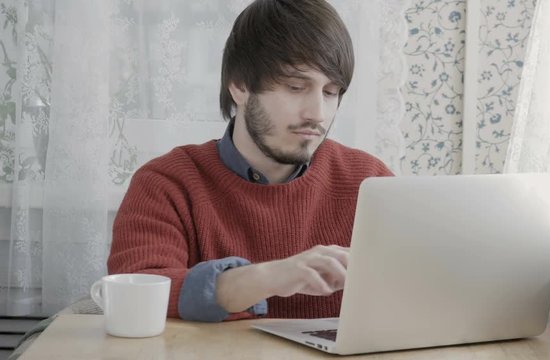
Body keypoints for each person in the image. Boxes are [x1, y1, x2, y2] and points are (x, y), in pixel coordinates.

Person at [107, 0, 393, 322]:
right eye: (296, 87)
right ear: (240, 86)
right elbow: (137, 294)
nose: (318, 114)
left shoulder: (370, 182)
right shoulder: (166, 183)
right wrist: (267, 278)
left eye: (330, 92)